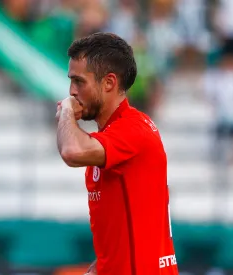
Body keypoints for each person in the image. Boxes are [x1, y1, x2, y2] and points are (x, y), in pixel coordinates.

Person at [56, 33, 178, 275]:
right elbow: (115, 247)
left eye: (79, 82)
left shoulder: (133, 129)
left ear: (109, 83)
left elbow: (71, 151)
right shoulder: (108, 141)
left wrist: (66, 112)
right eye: (71, 81)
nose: (71, 91)